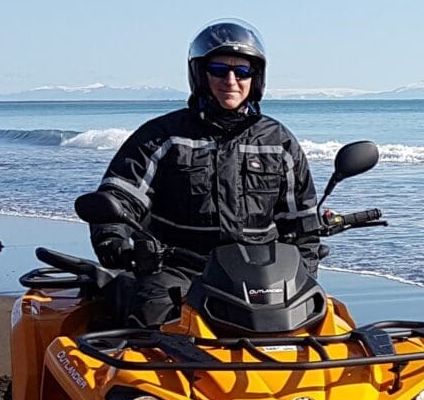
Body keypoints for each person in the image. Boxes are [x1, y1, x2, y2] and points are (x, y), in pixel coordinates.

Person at [88, 20, 321, 326]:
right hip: (180, 271)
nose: (231, 80)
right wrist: (114, 242)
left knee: (322, 319)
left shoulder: (278, 142)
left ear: (256, 77)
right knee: (155, 316)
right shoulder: (163, 137)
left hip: (262, 277)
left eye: (242, 70)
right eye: (219, 69)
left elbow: (302, 220)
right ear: (200, 74)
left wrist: (303, 271)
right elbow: (120, 196)